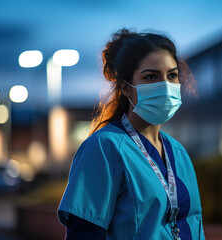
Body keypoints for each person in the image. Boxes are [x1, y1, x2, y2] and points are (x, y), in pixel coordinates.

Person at [58, 28, 205, 240]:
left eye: (171, 75)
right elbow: (84, 233)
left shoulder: (179, 152)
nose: (165, 86)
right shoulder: (104, 147)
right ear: (126, 88)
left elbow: (193, 224)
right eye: (151, 76)